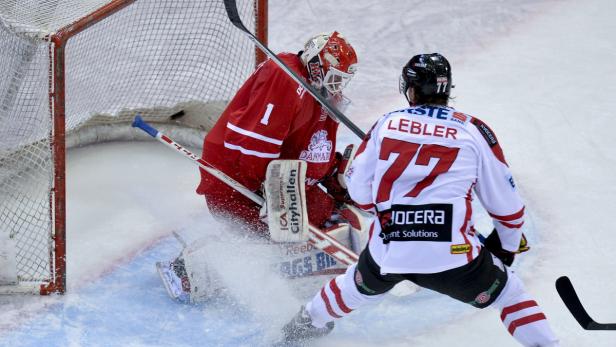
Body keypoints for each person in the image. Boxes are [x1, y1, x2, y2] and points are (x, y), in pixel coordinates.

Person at [281, 53, 560, 347]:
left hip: (390, 252)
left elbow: (359, 192)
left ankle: (304, 325)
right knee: (510, 295)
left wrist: (383, 212)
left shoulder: (386, 124)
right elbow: (508, 208)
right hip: (453, 256)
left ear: (411, 89)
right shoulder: (474, 130)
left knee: (354, 286)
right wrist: (507, 248)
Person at [156, 32, 366, 304]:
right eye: (335, 77)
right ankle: (190, 268)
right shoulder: (286, 78)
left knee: (336, 219)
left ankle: (275, 250)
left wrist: (333, 172)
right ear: (317, 64)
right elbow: (255, 150)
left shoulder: (315, 91)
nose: (337, 87)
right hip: (238, 185)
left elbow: (306, 149)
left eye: (342, 80)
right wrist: (272, 195)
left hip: (276, 181)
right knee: (290, 240)